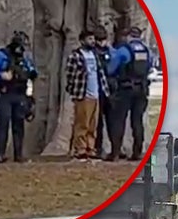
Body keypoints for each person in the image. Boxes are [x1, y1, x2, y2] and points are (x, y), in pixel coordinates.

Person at [0, 33, 38, 163]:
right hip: (4, 93)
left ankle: (18, 154)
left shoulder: (25, 58)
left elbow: (32, 72)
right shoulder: (1, 56)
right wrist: (1, 75)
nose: (22, 49)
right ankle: (0, 154)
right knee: (4, 121)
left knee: (18, 123)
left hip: (20, 94)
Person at [106, 26, 152, 161]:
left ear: (129, 36)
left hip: (125, 89)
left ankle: (115, 152)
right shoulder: (146, 50)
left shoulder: (124, 50)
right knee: (137, 121)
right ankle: (137, 151)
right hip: (142, 89)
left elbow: (111, 69)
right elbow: (149, 66)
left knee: (118, 120)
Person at [64, 29, 111, 161]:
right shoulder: (76, 56)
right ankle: (80, 149)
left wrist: (105, 91)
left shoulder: (95, 55)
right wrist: (73, 90)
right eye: (89, 39)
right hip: (82, 94)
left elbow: (100, 74)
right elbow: (70, 75)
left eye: (93, 39)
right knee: (82, 123)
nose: (92, 42)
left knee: (93, 124)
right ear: (82, 41)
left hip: (95, 94)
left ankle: (91, 148)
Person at [93, 26, 115, 160]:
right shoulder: (93, 53)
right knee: (98, 123)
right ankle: (98, 148)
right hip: (97, 91)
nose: (102, 42)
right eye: (99, 39)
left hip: (110, 91)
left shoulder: (111, 52)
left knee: (112, 122)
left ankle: (114, 149)